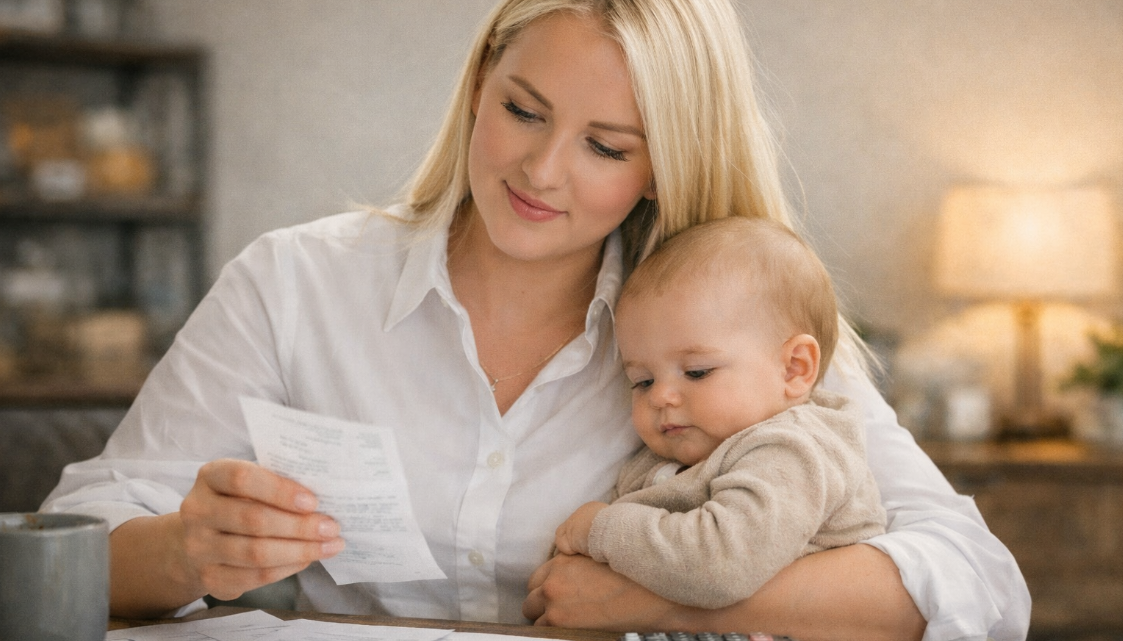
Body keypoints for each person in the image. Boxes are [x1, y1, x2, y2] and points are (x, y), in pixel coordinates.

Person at [41, 1, 1030, 639]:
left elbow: (979, 583)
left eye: (605, 145)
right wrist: (185, 548)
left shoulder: (732, 326)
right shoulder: (296, 282)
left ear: (662, 166)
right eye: (521, 110)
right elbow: (70, 542)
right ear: (478, 87)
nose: (541, 171)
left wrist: (660, 594)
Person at [553, 216, 887, 610]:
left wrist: (599, 529)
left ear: (794, 368)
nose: (660, 396)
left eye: (697, 372)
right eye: (642, 381)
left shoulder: (793, 450)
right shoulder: (662, 459)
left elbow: (722, 565)